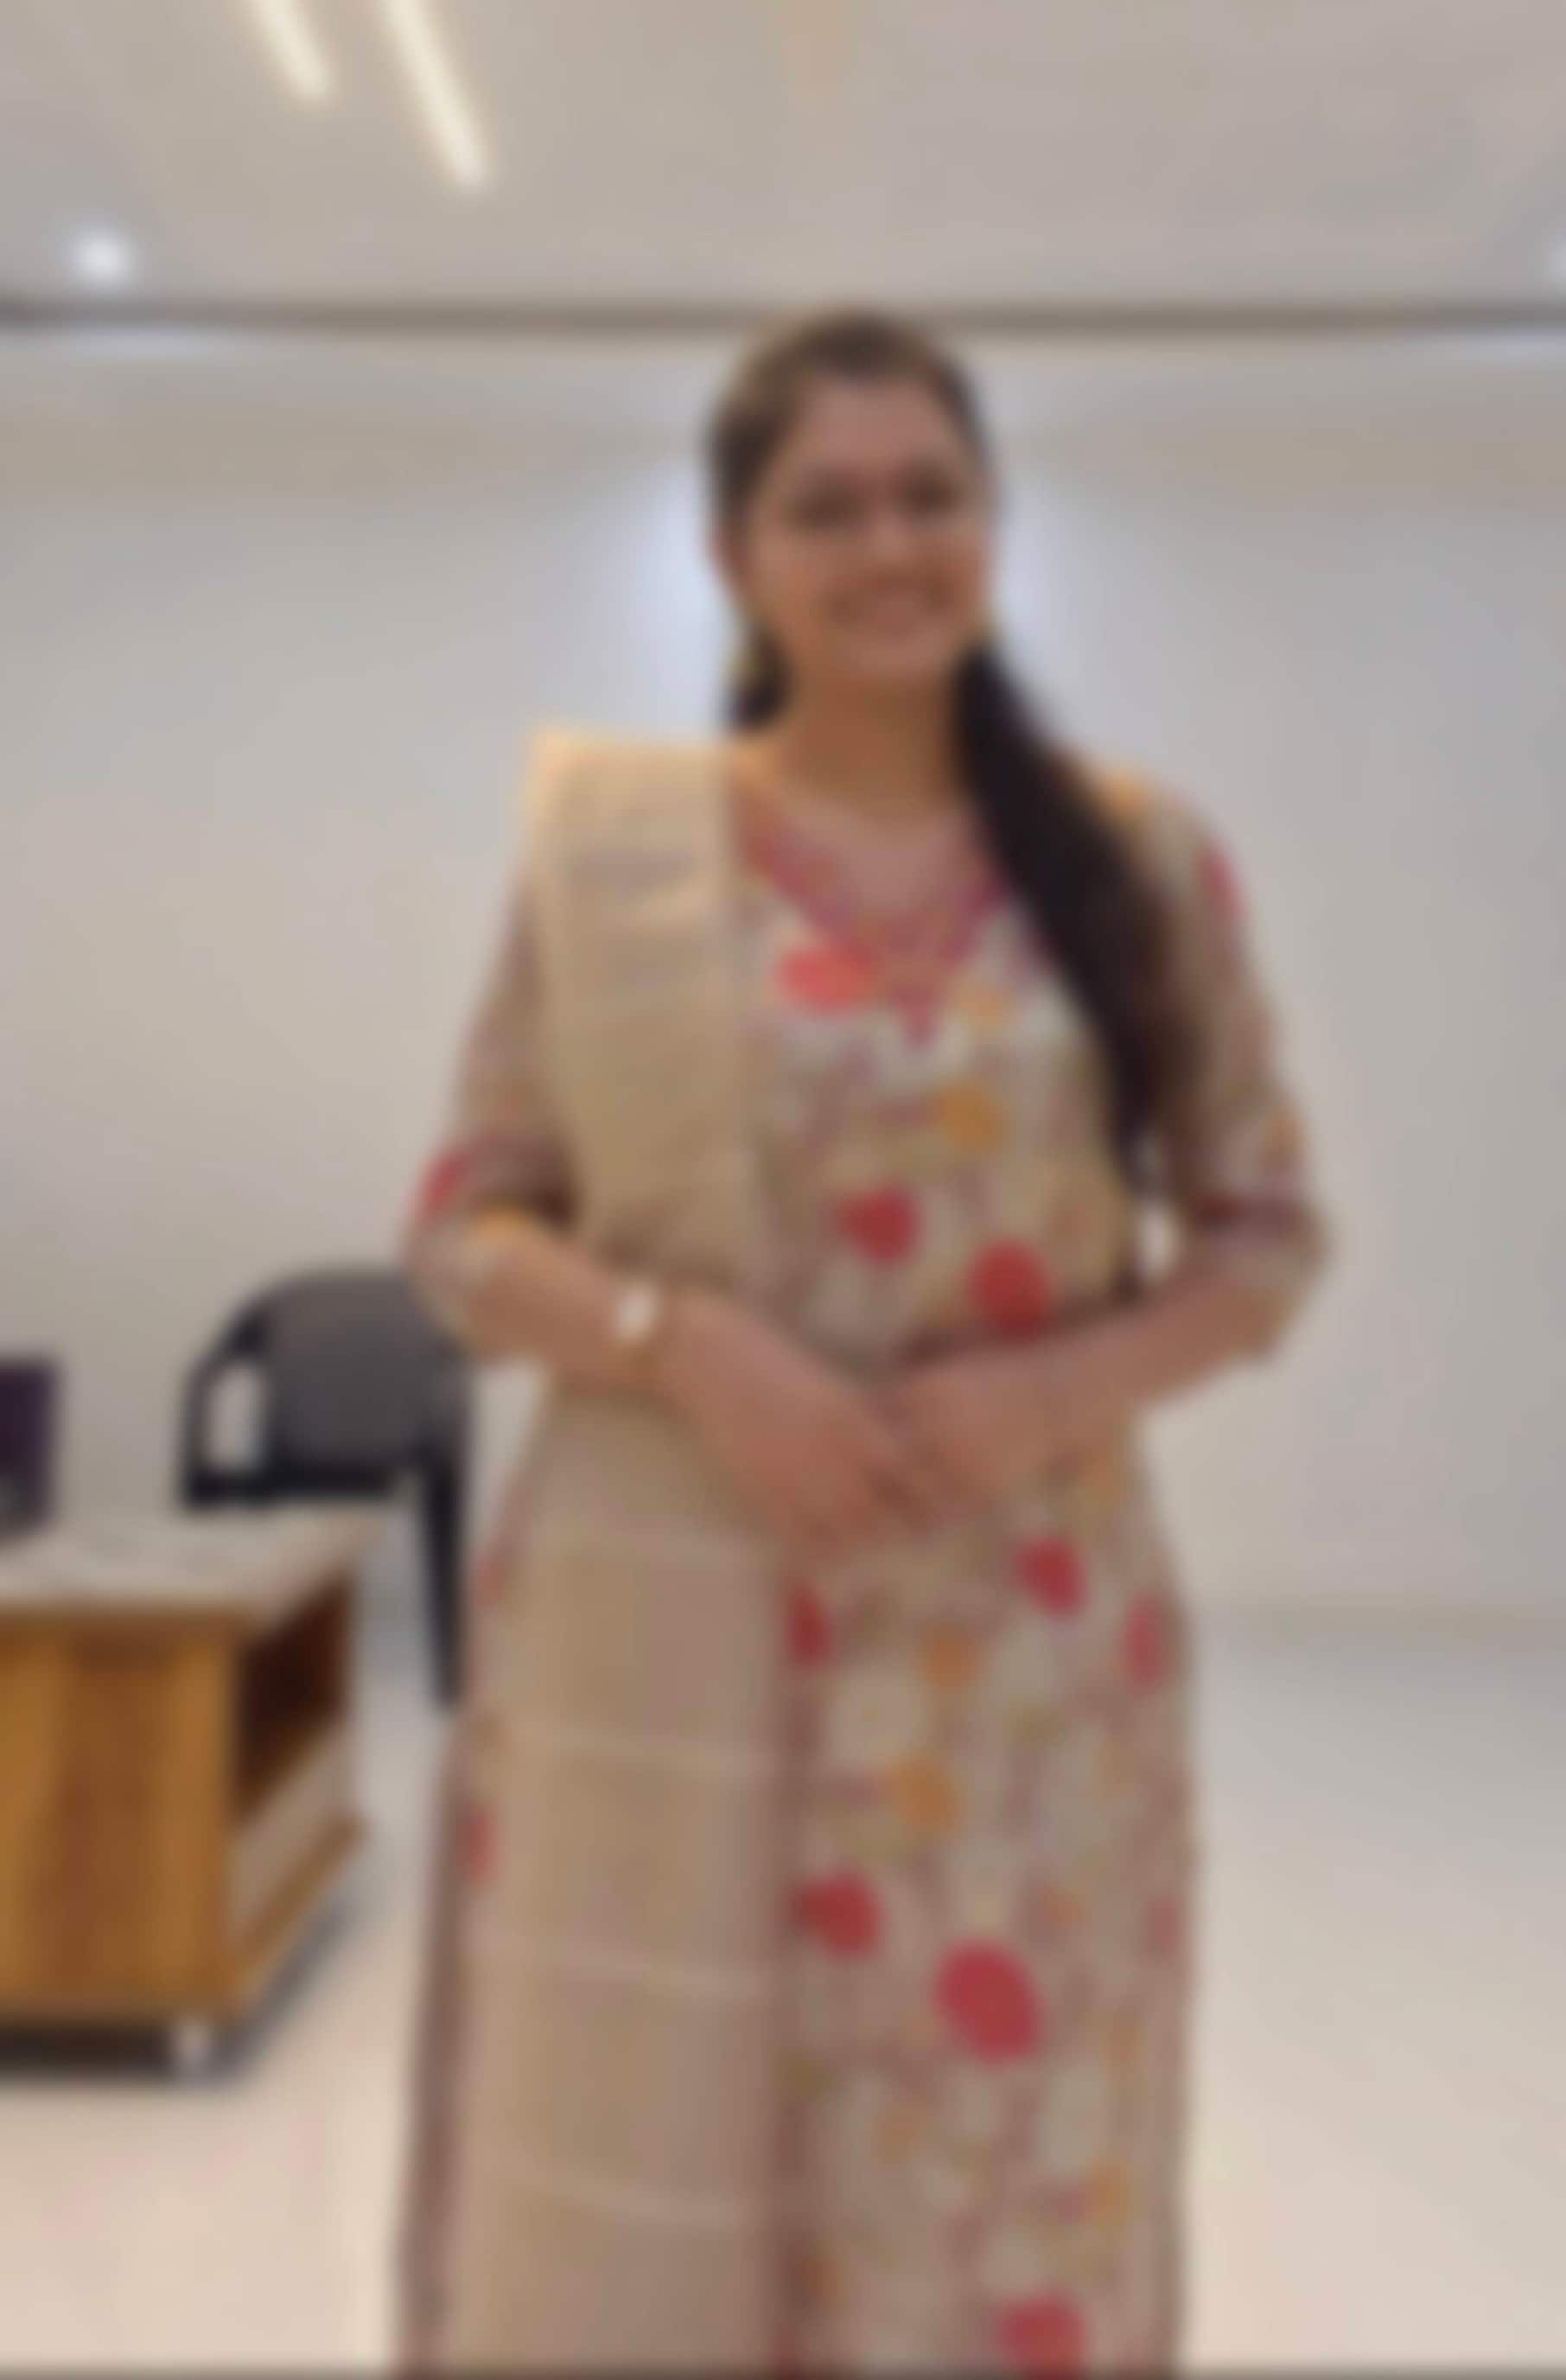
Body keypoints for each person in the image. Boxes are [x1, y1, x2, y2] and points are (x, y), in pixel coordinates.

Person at [392, 308, 1331, 2376]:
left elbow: (1266, 1238)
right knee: (656, 2170)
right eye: (826, 508)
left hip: (1024, 1666)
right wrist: (680, 1345)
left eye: (931, 496)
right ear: (734, 557)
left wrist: (1057, 1392)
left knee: (1003, 2181)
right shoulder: (622, 864)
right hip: (676, 1624)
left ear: (993, 520)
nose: (888, 546)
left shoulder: (1133, 858)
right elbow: (462, 1228)